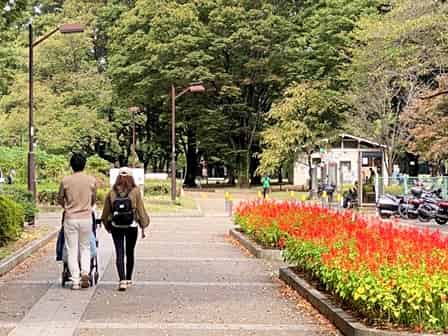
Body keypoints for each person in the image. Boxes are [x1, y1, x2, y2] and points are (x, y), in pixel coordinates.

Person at [101, 167, 149, 291]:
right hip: (131, 226)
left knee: (119, 253)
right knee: (130, 252)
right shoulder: (136, 191)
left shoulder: (112, 192)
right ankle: (128, 279)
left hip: (116, 226)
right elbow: (140, 210)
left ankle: (121, 280)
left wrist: (107, 226)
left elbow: (106, 212)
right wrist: (143, 225)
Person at [57, 153, 96, 290]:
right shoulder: (91, 180)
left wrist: (67, 206)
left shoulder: (66, 181)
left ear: (71, 165)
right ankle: (86, 272)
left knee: (72, 249)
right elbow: (94, 200)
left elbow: (60, 199)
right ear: (84, 164)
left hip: (71, 218)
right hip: (86, 217)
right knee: (85, 247)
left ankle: (75, 281)